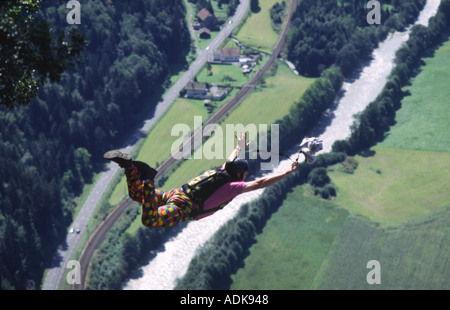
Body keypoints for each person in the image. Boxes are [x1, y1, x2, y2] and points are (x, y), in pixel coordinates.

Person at [104, 132, 298, 229]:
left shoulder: (223, 171)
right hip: (184, 207)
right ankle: (147, 179)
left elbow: (231, 159)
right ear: (240, 175)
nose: (245, 178)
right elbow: (260, 183)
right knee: (150, 219)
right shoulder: (232, 186)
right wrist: (285, 173)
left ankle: (130, 167)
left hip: (176, 194)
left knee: (137, 195)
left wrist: (239, 146)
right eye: (244, 174)